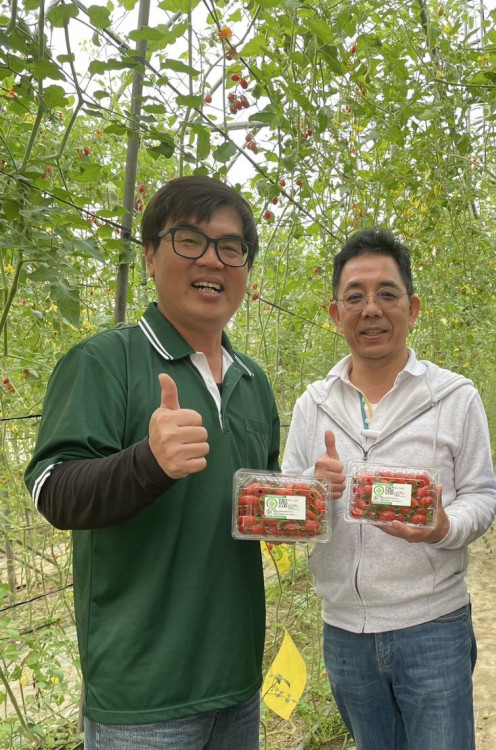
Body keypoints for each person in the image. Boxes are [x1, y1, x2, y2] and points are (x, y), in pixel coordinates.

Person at [24, 175, 280, 749]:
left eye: (231, 247)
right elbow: (51, 489)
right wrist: (148, 463)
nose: (212, 259)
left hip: (237, 681)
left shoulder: (252, 381)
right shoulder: (104, 362)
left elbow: (255, 507)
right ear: (149, 255)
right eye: (190, 239)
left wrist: (308, 502)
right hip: (144, 696)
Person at [281, 227, 496, 750]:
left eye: (386, 294)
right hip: (344, 633)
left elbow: (483, 498)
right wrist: (314, 493)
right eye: (354, 296)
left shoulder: (454, 397)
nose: (370, 309)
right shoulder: (313, 404)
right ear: (335, 314)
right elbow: (286, 512)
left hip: (433, 626)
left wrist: (445, 527)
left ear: (413, 307)